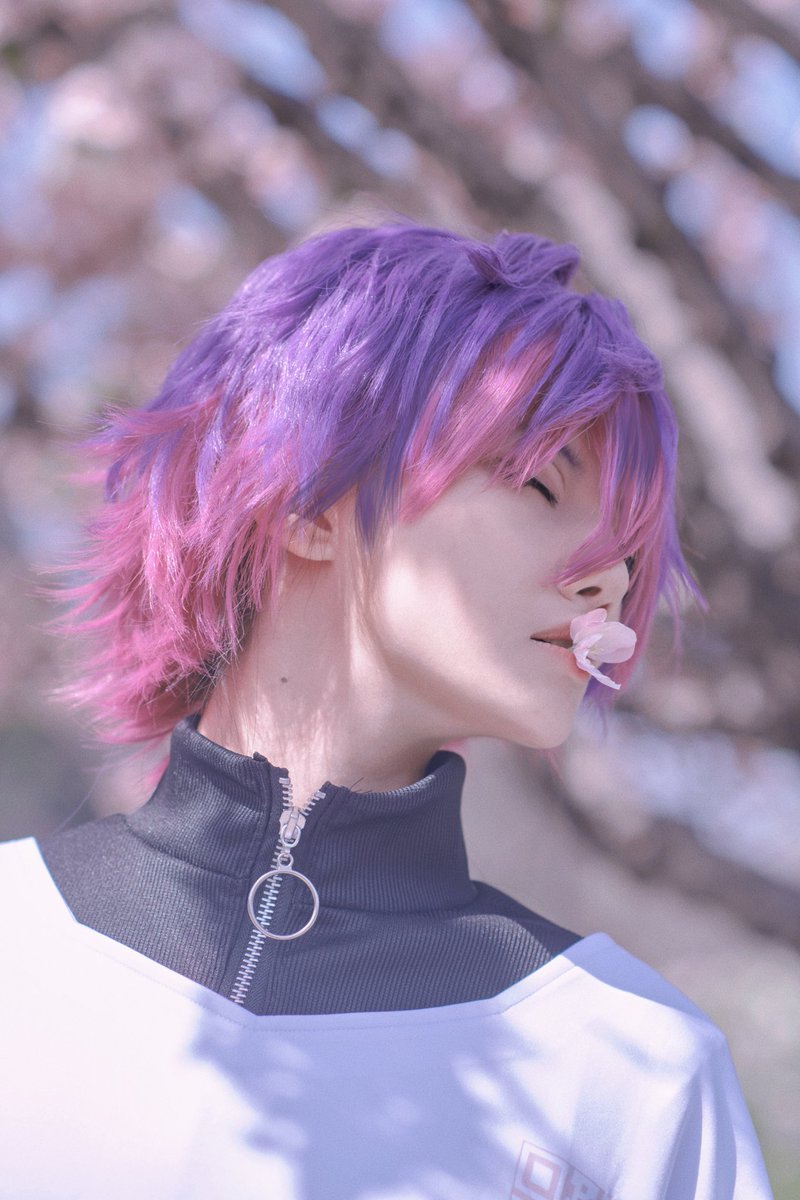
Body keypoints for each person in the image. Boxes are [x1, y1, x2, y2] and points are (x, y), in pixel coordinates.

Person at [0, 223, 773, 1199]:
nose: (607, 581)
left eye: (626, 545)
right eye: (541, 485)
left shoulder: (633, 1068)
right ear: (306, 501)